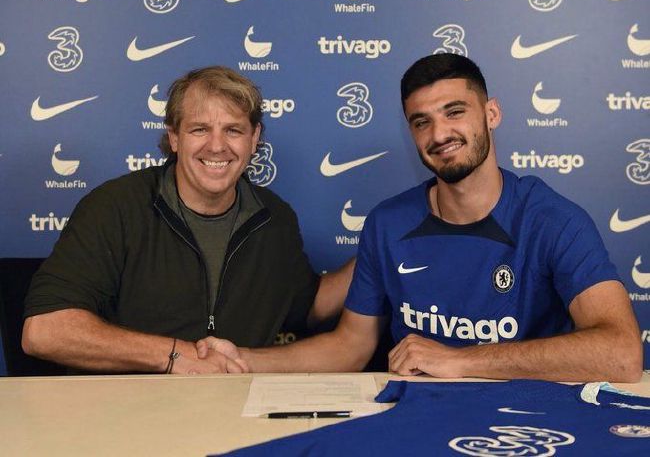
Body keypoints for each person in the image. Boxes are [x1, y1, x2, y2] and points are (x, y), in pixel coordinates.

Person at [207, 53, 642, 382]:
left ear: (491, 114)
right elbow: (349, 348)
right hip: (415, 419)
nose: (439, 135)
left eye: (455, 112)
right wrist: (240, 359)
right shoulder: (389, 223)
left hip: (523, 421)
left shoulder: (552, 219)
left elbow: (622, 354)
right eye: (421, 122)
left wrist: (459, 360)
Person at [22, 66, 354, 374]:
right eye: (200, 129)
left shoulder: (275, 217)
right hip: (121, 418)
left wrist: (381, 246)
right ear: (175, 138)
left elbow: (303, 306)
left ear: (254, 139)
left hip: (234, 413)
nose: (217, 146)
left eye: (233, 130)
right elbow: (45, 330)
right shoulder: (114, 207)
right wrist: (174, 357)